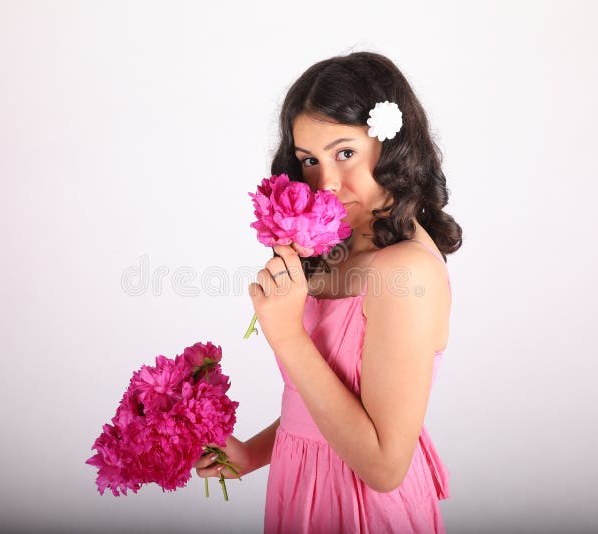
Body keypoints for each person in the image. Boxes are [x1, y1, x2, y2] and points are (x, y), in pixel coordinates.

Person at [194, 50, 462, 533]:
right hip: (303, 490)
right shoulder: (335, 249)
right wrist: (253, 453)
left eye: (345, 153)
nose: (328, 183)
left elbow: (383, 466)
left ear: (394, 145)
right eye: (309, 161)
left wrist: (288, 338)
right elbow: (330, 402)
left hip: (361, 508)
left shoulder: (406, 272)